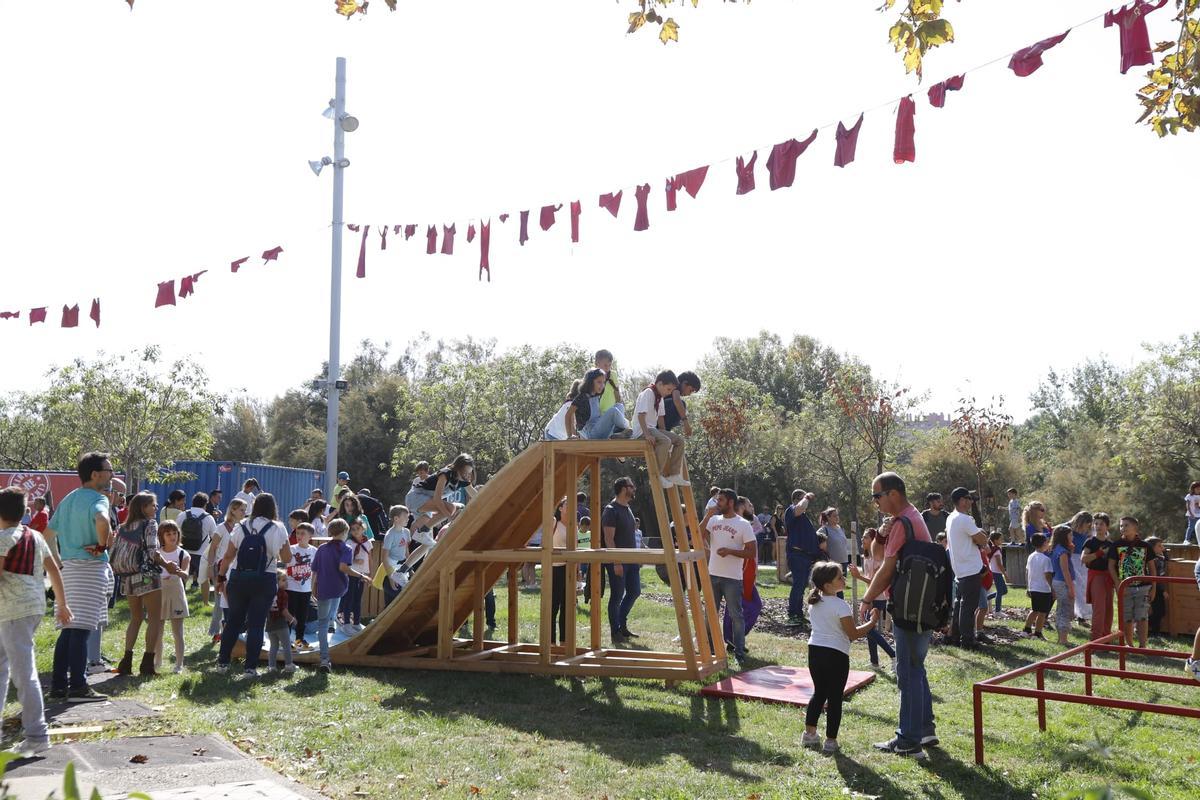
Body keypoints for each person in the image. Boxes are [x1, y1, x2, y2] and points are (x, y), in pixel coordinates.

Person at [860, 471, 937, 761]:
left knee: (907, 672)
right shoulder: (909, 518)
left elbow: (886, 567)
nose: (875, 502)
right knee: (917, 668)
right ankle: (925, 729)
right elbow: (878, 550)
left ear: (893, 494)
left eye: (876, 496)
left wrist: (868, 599)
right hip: (923, 604)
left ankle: (908, 740)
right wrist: (882, 532)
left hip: (908, 607)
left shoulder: (905, 523)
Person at [0, 486, 72, 754]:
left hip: (13, 612)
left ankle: (37, 735)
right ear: (25, 511)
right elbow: (54, 569)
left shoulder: (3, 539)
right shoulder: (35, 536)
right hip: (32, 608)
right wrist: (62, 604)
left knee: (24, 674)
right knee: (4, 668)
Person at [802, 561, 876, 755]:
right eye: (840, 578)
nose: (844, 579)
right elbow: (853, 633)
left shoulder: (815, 602)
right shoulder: (840, 605)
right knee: (834, 697)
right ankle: (830, 741)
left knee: (819, 693)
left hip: (815, 652)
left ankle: (809, 734)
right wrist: (872, 623)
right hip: (836, 655)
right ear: (827, 585)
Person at [215, 493, 292, 677]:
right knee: (256, 625)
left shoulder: (241, 526)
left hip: (238, 577)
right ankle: (250, 668)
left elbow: (228, 556)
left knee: (233, 622)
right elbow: (287, 557)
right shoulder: (278, 528)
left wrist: (220, 577)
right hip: (264, 578)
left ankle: (222, 663)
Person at [113, 492, 166, 677]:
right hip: (147, 576)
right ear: (143, 508)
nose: (156, 508)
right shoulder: (150, 524)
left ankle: (126, 661)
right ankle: (147, 664)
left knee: (135, 618)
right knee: (155, 619)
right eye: (153, 505)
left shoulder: (122, 527)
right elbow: (153, 553)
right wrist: (169, 565)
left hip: (128, 578)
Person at [701, 489, 757, 661]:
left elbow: (751, 552)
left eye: (721, 500)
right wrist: (708, 515)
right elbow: (698, 534)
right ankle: (709, 650)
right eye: (717, 500)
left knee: (736, 615)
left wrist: (730, 552)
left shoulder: (743, 524)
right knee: (710, 613)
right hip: (713, 575)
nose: (718, 503)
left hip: (732, 578)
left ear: (731, 502)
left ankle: (738, 652)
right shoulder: (714, 519)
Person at [312, 518, 369, 673]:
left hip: (323, 590)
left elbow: (315, 571)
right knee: (330, 618)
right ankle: (327, 652)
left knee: (323, 623)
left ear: (330, 532)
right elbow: (343, 567)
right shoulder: (346, 548)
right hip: (338, 589)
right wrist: (361, 576)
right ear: (345, 532)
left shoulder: (322, 548)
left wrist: (313, 589)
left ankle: (324, 658)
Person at [946, 487, 988, 649]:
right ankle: (968, 641)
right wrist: (980, 534)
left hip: (960, 569)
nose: (971, 502)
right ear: (962, 500)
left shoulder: (951, 518)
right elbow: (982, 540)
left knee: (960, 606)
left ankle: (955, 637)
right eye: (969, 499)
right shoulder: (965, 519)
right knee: (968, 608)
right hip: (970, 569)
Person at [631, 371, 688, 489]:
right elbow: (641, 416)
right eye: (668, 389)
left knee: (679, 441)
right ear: (660, 384)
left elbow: (661, 418)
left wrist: (666, 434)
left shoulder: (660, 397)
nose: (669, 392)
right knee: (665, 441)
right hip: (642, 429)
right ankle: (656, 476)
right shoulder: (648, 393)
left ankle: (674, 474)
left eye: (671, 390)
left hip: (653, 429)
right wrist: (647, 435)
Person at [849, 528, 895, 669]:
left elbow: (877, 582)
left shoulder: (878, 558)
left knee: (869, 628)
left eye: (866, 537)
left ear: (874, 540)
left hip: (878, 597)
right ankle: (874, 662)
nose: (862, 540)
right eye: (862, 537)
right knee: (869, 628)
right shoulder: (866, 557)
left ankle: (893, 655)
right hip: (869, 597)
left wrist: (858, 576)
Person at [602, 477, 641, 643]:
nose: (634, 489)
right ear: (624, 489)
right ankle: (615, 632)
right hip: (618, 562)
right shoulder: (611, 510)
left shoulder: (628, 508)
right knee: (617, 595)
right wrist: (616, 562)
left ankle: (621, 624)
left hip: (632, 560)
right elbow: (609, 539)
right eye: (631, 486)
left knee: (634, 591)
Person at [1108, 516, 1154, 649]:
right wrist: (1118, 585)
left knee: (1142, 616)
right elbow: (1111, 566)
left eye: (1126, 525)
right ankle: (1129, 644)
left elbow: (1152, 568)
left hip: (1143, 587)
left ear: (1135, 527)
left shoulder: (1145, 546)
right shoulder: (1116, 545)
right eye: (1121, 526)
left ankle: (1143, 645)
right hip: (1125, 588)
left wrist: (1154, 587)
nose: (1123, 528)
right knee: (1126, 617)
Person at [205, 497, 246, 643]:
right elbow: (212, 549)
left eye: (244, 510)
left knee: (233, 602)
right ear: (233, 510)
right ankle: (216, 631)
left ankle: (230, 631)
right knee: (219, 601)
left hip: (237, 569)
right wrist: (210, 568)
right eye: (241, 509)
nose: (244, 512)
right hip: (221, 568)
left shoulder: (243, 527)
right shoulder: (221, 527)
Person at [405, 454, 476, 533]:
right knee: (450, 509)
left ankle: (423, 530)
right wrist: (450, 518)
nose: (466, 475)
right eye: (464, 472)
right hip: (415, 498)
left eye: (469, 473)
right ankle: (424, 529)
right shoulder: (445, 474)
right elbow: (437, 499)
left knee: (451, 509)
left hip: (427, 500)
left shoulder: (463, 481)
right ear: (457, 468)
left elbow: (476, 496)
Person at [154, 520, 190, 673]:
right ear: (161, 536)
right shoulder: (157, 553)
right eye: (168, 534)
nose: (172, 536)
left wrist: (177, 572)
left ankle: (179, 664)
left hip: (176, 592)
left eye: (174, 533)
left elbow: (186, 574)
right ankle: (157, 662)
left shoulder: (183, 553)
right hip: (159, 592)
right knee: (158, 631)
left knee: (177, 631)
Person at [784, 489, 818, 627]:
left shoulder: (803, 517)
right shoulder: (791, 510)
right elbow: (800, 508)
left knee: (801, 585)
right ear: (796, 499)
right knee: (798, 585)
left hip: (805, 556)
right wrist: (807, 497)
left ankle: (798, 614)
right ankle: (792, 614)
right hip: (796, 555)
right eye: (802, 498)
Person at [1081, 513, 1114, 640]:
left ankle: (1106, 637)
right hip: (1096, 576)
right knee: (1099, 608)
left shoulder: (1111, 544)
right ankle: (1096, 639)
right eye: (1096, 524)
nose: (1098, 526)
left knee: (1109, 609)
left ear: (1107, 526)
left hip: (1108, 577)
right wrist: (1100, 553)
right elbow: (1083, 559)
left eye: (1101, 524)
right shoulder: (1090, 542)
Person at [178, 492, 217, 593]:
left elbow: (177, 531)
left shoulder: (182, 514)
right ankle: (205, 600)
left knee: (182, 576)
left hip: (184, 551)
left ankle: (180, 595)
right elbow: (214, 536)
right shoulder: (209, 518)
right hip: (201, 553)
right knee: (204, 579)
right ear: (205, 504)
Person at [287, 522, 318, 648]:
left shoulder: (314, 551)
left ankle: (299, 640)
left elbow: (315, 571)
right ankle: (286, 640)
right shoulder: (291, 549)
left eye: (303, 533)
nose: (299, 535)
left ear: (310, 535)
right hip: (291, 588)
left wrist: (311, 588)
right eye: (298, 533)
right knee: (289, 615)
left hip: (305, 590)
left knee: (302, 616)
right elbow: (284, 566)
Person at [340, 520, 373, 633]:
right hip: (352, 573)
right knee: (349, 598)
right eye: (353, 529)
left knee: (358, 599)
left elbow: (369, 558)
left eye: (358, 529)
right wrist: (354, 560)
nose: (355, 531)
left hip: (363, 574)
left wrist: (370, 573)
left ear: (363, 529)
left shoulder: (367, 542)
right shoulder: (349, 542)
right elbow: (345, 559)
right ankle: (346, 623)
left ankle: (357, 622)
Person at [548, 497, 573, 645]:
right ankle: (551, 641)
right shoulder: (554, 522)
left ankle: (564, 641)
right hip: (555, 568)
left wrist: (577, 572)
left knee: (567, 605)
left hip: (568, 568)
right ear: (560, 508)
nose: (571, 507)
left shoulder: (573, 526)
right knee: (553, 605)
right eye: (567, 504)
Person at [1064, 511, 1094, 624]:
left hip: (1083, 560)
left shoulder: (1089, 531)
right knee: (1076, 587)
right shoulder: (1067, 527)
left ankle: (1083, 615)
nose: (1088, 528)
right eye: (1087, 525)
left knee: (1084, 587)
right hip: (1071, 559)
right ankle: (1079, 615)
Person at [1049, 526, 1077, 646]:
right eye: (1070, 535)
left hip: (1057, 582)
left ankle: (1061, 638)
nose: (1072, 537)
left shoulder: (1055, 549)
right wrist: (1071, 588)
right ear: (1064, 536)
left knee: (1061, 609)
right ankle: (1063, 639)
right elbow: (1065, 571)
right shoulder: (1062, 552)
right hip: (1063, 583)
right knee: (1065, 609)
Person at [265, 570, 297, 674]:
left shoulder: (268, 593)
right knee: (286, 645)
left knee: (273, 646)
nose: (286, 582)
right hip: (281, 625)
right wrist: (292, 619)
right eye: (283, 580)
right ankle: (288, 665)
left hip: (270, 624)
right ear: (276, 582)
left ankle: (271, 666)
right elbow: (283, 610)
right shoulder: (283, 594)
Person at [593, 348, 632, 434]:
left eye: (609, 365)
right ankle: (625, 426)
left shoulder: (613, 375)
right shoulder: (592, 376)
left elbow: (617, 393)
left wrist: (619, 403)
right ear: (597, 364)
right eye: (605, 365)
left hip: (613, 410)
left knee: (620, 406)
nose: (607, 368)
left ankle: (621, 429)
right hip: (600, 414)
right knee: (613, 412)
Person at [1023, 533, 1054, 638]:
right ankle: (1038, 633)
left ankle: (1026, 630)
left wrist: (1028, 587)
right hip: (1044, 589)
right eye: (1047, 542)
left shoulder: (1031, 556)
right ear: (1044, 543)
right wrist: (1052, 588)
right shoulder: (1046, 559)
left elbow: (1027, 572)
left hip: (1033, 588)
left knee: (1034, 610)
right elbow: (1048, 575)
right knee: (1042, 612)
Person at [381, 506, 411, 607]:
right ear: (396, 519)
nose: (408, 519)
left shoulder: (406, 532)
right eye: (405, 517)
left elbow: (406, 551)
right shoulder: (390, 535)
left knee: (404, 599)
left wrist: (410, 569)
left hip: (402, 567)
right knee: (392, 601)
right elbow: (384, 558)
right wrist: (391, 577)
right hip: (391, 568)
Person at [663, 371, 702, 437]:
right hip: (655, 417)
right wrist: (685, 422)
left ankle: (666, 430)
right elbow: (677, 400)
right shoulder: (676, 386)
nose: (689, 394)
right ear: (684, 383)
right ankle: (664, 430)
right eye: (690, 390)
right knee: (681, 405)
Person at [817, 508, 849, 589]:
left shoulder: (840, 528)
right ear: (828, 517)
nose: (837, 517)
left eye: (837, 515)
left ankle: (840, 601)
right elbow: (816, 539)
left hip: (844, 562)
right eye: (834, 516)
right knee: (834, 588)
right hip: (832, 564)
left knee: (841, 587)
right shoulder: (824, 529)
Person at [1146, 537, 1168, 637]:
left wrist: (1164, 552)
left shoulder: (1160, 558)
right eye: (1159, 546)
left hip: (1158, 588)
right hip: (1153, 588)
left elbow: (1166, 560)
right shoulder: (1152, 560)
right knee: (1155, 611)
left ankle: (1155, 631)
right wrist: (1162, 590)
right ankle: (1152, 632)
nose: (1162, 548)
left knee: (1160, 611)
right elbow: (1155, 576)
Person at [986, 532, 1008, 614]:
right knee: (1000, 591)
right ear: (995, 540)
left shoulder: (994, 549)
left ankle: (985, 598)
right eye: (1000, 539)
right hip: (996, 573)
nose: (1002, 540)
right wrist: (1005, 574)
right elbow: (999, 564)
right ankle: (998, 610)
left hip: (995, 572)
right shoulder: (997, 551)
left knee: (1004, 591)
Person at [1185, 481, 1200, 545]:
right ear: (1193, 489)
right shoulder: (1189, 496)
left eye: (1199, 489)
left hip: (1199, 515)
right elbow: (1187, 506)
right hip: (1192, 515)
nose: (1199, 490)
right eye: (1197, 489)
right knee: (1191, 527)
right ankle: (1186, 540)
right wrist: (1191, 514)